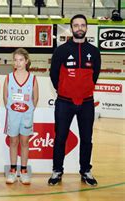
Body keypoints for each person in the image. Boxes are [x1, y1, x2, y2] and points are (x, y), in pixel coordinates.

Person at [48, 14, 101, 186]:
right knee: (61, 138)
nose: (79, 28)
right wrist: (64, 90)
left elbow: (95, 75)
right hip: (64, 102)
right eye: (76, 25)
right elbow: (54, 75)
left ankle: (85, 170)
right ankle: (57, 170)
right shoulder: (61, 50)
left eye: (82, 25)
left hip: (86, 103)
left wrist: (83, 90)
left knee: (87, 138)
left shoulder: (94, 52)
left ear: (86, 28)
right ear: (71, 28)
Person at [4, 48, 39, 185]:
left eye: (21, 60)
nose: (18, 63)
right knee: (13, 142)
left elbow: (35, 98)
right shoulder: (9, 77)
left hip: (26, 115)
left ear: (26, 61)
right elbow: (5, 97)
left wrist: (27, 110)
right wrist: (14, 109)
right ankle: (12, 171)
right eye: (16, 60)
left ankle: (24, 171)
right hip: (13, 114)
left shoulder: (32, 78)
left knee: (24, 142)